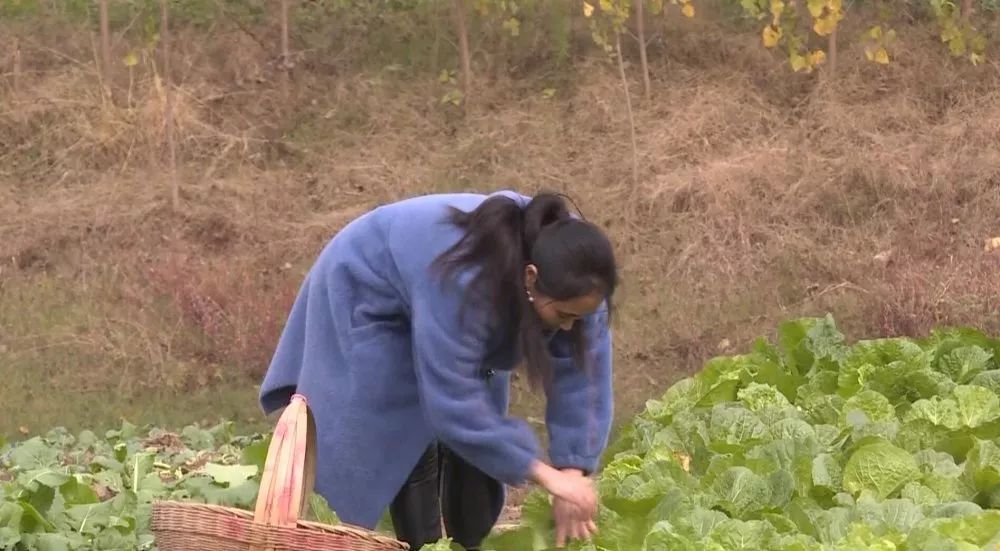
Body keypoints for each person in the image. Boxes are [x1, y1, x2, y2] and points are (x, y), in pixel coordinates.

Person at [258, 190, 618, 550]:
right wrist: (547, 477)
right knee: (389, 429)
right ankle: (414, 542)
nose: (570, 327)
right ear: (530, 278)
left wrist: (572, 468)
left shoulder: (583, 279)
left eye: (579, 317)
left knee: (481, 442)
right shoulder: (467, 277)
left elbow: (585, 379)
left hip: (461, 301)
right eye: (563, 316)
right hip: (371, 287)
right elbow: (454, 401)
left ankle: (469, 541)